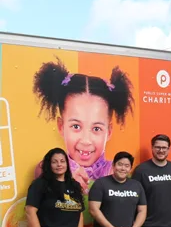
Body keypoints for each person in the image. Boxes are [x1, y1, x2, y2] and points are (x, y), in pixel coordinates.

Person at [32, 59, 135, 193]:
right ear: (61, 126)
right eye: (76, 126)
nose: (86, 140)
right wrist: (65, 181)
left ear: (109, 132)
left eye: (96, 129)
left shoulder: (116, 170)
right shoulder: (47, 167)